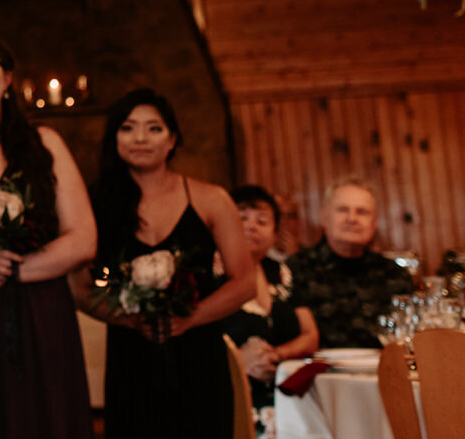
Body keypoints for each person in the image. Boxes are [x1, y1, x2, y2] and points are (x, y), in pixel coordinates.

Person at [73, 89, 255, 439]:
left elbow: (244, 282)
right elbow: (78, 288)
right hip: (131, 352)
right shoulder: (95, 204)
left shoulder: (211, 199)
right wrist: (127, 318)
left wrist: (188, 319)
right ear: (115, 138)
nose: (140, 138)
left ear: (172, 139)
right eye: (128, 127)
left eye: (153, 128)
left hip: (199, 351)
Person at [0, 28, 96, 439]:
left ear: (8, 77)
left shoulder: (43, 143)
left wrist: (15, 270)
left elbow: (83, 237)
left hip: (41, 309)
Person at [219, 184, 319, 438]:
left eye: (262, 221)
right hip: (227, 393)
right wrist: (239, 361)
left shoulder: (282, 273)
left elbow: (310, 335)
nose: (251, 226)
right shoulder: (208, 276)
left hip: (284, 393)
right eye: (241, 218)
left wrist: (276, 354)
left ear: (274, 233)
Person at [285, 176, 413, 348]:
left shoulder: (395, 274)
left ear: (374, 223)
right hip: (317, 372)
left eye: (362, 212)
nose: (352, 219)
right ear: (324, 217)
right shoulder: (295, 269)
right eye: (342, 210)